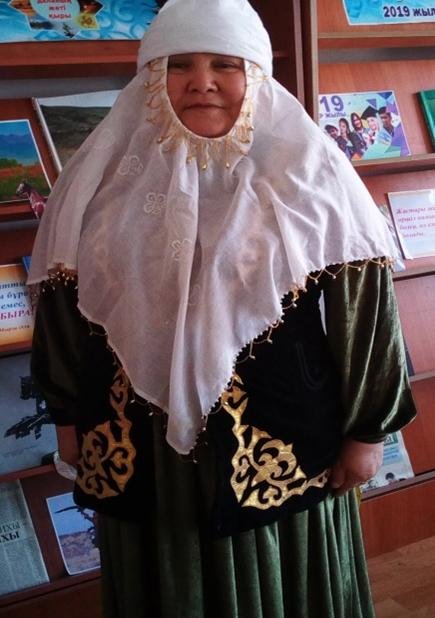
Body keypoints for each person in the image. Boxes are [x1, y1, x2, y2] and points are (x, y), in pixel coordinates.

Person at [28, 0, 416, 616]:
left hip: (279, 439)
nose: (201, 81)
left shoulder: (311, 175)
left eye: (225, 65)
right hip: (140, 446)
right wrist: (67, 420)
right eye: (178, 64)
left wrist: (369, 432)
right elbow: (61, 314)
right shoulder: (97, 183)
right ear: (151, 80)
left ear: (255, 76)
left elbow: (364, 316)